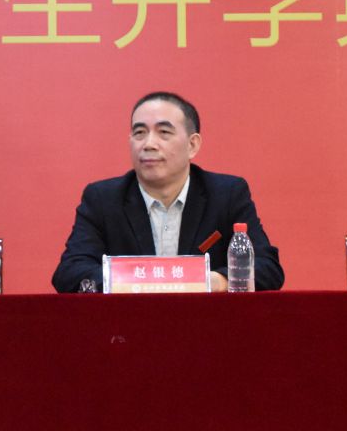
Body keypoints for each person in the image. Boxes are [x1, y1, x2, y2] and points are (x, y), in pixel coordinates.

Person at [52, 91, 284, 293]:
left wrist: (217, 280)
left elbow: (268, 268)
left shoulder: (227, 194)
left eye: (164, 132)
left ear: (192, 145)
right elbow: (70, 272)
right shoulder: (103, 199)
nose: (148, 144)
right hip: (128, 323)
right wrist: (143, 281)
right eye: (139, 133)